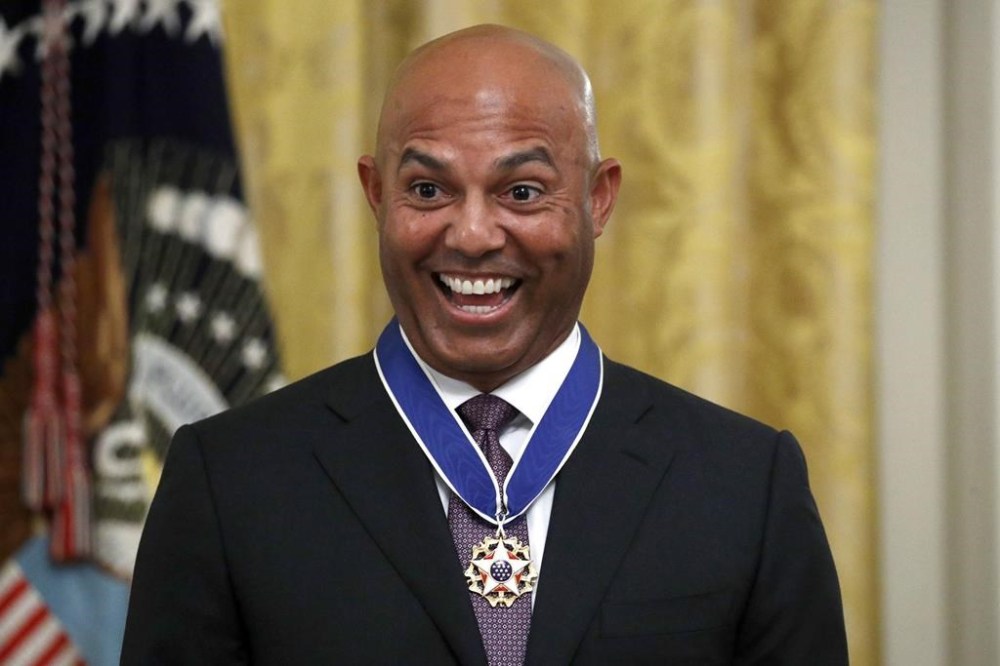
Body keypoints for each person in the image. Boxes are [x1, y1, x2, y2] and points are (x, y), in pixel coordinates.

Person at [122, 24, 848, 665]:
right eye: (429, 191)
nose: (471, 236)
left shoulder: (746, 485)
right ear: (377, 196)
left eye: (522, 192)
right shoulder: (229, 482)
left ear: (598, 199)